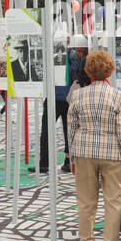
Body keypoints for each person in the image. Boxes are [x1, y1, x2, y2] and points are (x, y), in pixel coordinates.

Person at [68, 50, 121, 241]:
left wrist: (71, 157)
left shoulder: (77, 95)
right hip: (112, 153)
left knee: (86, 203)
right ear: (110, 69)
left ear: (88, 70)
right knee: (113, 203)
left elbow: (71, 129)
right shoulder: (118, 96)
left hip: (84, 151)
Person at [35, 35, 86, 173]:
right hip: (70, 97)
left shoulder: (51, 55)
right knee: (69, 131)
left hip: (54, 96)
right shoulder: (74, 55)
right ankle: (69, 161)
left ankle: (44, 163)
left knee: (46, 131)